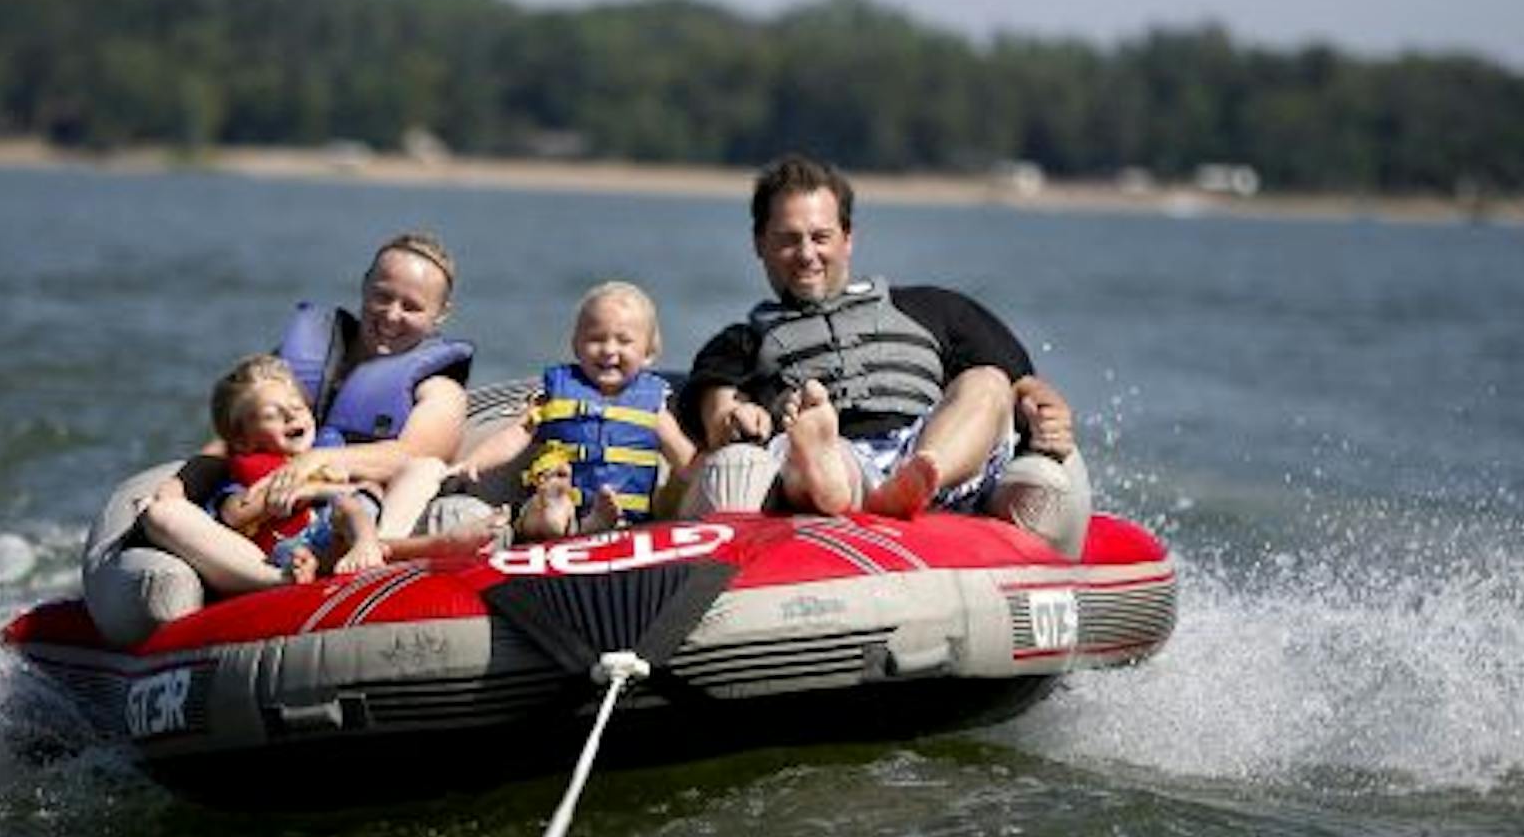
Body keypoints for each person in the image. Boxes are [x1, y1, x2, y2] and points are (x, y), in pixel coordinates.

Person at [680, 153, 1087, 533]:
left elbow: (1023, 385)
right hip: (845, 455)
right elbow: (718, 412)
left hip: (938, 451)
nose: (806, 254)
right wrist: (738, 418)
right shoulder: (742, 341)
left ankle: (919, 477)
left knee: (988, 381)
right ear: (759, 243)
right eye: (788, 239)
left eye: (820, 237)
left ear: (847, 237)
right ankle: (824, 464)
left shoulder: (932, 308)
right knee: (813, 438)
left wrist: (1048, 411)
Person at [139, 231, 482, 593]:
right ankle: (275, 580)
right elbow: (234, 435)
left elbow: (414, 456)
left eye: (411, 306)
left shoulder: (440, 391)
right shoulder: (302, 361)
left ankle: (371, 563)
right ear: (365, 287)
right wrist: (180, 484)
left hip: (351, 526)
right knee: (161, 512)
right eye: (382, 296)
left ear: (440, 314)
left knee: (424, 469)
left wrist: (314, 463)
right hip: (264, 531)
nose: (391, 315)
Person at [451, 281, 698, 540]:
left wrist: (705, 467)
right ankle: (556, 512)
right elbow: (516, 434)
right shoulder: (555, 392)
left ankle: (593, 522)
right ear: (576, 345)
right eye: (596, 339)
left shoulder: (653, 404)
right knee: (549, 511)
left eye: (624, 341)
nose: (609, 350)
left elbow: (683, 457)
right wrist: (475, 462)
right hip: (558, 502)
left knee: (608, 516)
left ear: (649, 352)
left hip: (625, 517)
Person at [206, 354, 387, 581]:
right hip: (293, 544)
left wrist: (312, 488)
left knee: (351, 504)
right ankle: (305, 567)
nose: (291, 416)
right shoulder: (244, 475)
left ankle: (366, 545)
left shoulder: (328, 450)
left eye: (298, 407)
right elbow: (233, 515)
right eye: (272, 416)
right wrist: (277, 496)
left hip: (341, 527)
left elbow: (368, 489)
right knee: (287, 553)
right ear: (243, 440)